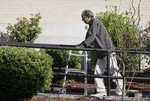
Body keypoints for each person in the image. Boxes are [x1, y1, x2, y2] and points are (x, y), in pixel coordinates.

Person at [76, 10, 123, 97]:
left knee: (114, 71)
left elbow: (92, 36)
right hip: (102, 53)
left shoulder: (95, 23)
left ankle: (121, 90)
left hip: (107, 51)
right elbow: (90, 37)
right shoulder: (92, 24)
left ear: (88, 17)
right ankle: (101, 91)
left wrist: (82, 45)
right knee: (97, 72)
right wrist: (82, 44)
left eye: (83, 18)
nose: (82, 20)